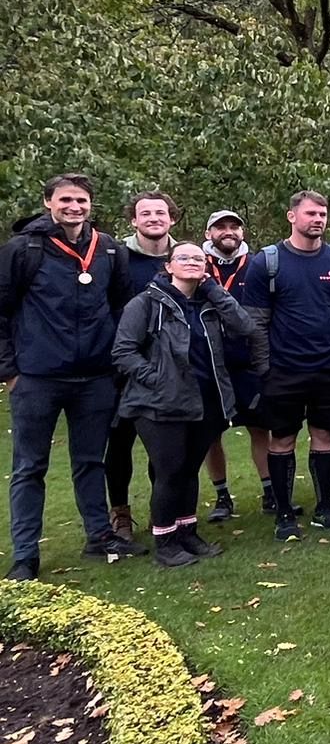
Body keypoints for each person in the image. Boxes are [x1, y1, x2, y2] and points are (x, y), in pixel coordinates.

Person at [2, 173, 143, 579]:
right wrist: (9, 371)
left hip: (95, 377)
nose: (74, 207)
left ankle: (99, 537)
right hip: (37, 377)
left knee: (90, 462)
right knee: (30, 467)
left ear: (90, 205)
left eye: (81, 200)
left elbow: (121, 308)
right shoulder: (23, 249)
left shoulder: (109, 249)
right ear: (48, 202)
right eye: (65, 200)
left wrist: (116, 362)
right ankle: (25, 555)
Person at [111, 243, 264, 567]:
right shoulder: (146, 303)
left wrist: (213, 289)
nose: (192, 262)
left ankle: (187, 532)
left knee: (189, 470)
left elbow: (245, 326)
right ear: (168, 266)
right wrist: (156, 378)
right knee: (170, 471)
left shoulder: (209, 303)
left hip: (205, 399)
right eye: (183, 257)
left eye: (198, 258)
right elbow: (123, 351)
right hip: (158, 403)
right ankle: (166, 541)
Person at [239, 190, 330, 542]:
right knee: (282, 439)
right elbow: (255, 321)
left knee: (325, 436)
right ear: (292, 216)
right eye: (310, 213)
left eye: (322, 214)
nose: (318, 219)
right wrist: (265, 367)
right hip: (284, 370)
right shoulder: (267, 262)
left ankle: (325, 507)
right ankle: (284, 512)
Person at [104, 190, 177, 542]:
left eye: (160, 213)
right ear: (134, 220)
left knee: (163, 447)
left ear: (171, 218)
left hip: (170, 367)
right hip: (123, 365)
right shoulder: (117, 258)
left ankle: (161, 512)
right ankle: (120, 513)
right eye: (145, 213)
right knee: (119, 443)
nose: (153, 218)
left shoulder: (183, 256)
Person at [201, 209, 269, 521]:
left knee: (260, 428)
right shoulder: (197, 265)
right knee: (210, 434)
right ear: (209, 234)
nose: (228, 232)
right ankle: (222, 497)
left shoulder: (257, 265)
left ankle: (270, 491)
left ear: (242, 232)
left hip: (248, 362)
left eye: (234, 226)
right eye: (220, 227)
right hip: (209, 364)